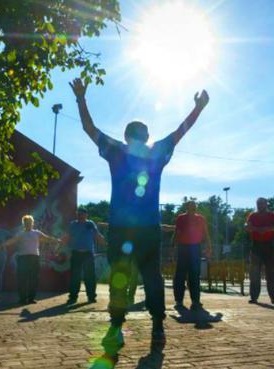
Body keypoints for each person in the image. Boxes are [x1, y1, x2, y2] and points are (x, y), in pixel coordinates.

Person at [70, 77, 209, 356]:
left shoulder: (116, 151)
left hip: (121, 229)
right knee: (152, 277)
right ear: (147, 136)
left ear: (125, 135)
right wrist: (199, 107)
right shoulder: (157, 152)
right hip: (149, 228)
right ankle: (158, 328)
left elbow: (88, 128)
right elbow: (181, 130)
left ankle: (116, 328)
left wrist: (81, 98)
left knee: (119, 276)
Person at [5, 215, 60, 305]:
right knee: (22, 279)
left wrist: (56, 240)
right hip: (23, 258)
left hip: (34, 258)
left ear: (32, 223)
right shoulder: (20, 234)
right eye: (26, 223)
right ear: (24, 224)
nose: (28, 224)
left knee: (34, 279)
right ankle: (22, 299)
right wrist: (2, 245)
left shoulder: (37, 233)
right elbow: (12, 241)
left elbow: (47, 238)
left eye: (30, 222)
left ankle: (31, 299)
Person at [172, 200, 211, 310]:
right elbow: (177, 232)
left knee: (194, 275)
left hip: (195, 247)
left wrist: (209, 245)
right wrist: (173, 246)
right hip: (183, 247)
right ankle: (179, 300)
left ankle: (195, 300)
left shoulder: (200, 218)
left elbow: (206, 232)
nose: (193, 208)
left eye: (194, 206)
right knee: (180, 274)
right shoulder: (181, 218)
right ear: (187, 207)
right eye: (191, 206)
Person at [63, 207, 106, 305]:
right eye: (78, 214)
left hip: (88, 254)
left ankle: (91, 297)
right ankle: (73, 297)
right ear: (76, 214)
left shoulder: (90, 224)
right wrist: (59, 246)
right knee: (75, 276)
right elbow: (66, 236)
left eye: (82, 214)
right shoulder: (73, 224)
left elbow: (97, 235)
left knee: (90, 276)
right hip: (76, 253)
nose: (80, 215)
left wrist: (106, 243)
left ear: (86, 215)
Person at [245, 198, 274, 305]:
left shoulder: (272, 215)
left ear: (266, 204)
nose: (259, 205)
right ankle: (254, 297)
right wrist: (256, 229)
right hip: (256, 245)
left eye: (261, 203)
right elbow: (246, 226)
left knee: (272, 272)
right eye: (258, 203)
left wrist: (267, 229)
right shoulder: (252, 215)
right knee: (254, 273)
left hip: (268, 245)